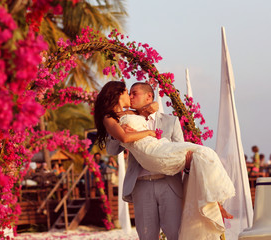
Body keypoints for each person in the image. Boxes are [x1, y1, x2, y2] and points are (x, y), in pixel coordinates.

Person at [95, 81, 235, 240]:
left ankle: (216, 205)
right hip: (141, 184)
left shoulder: (171, 121)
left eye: (135, 93)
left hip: (168, 182)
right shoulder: (121, 117)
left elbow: (179, 147)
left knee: (175, 233)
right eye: (129, 93)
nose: (131, 96)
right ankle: (216, 205)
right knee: (147, 235)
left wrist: (187, 167)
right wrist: (121, 133)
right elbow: (112, 150)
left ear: (148, 96)